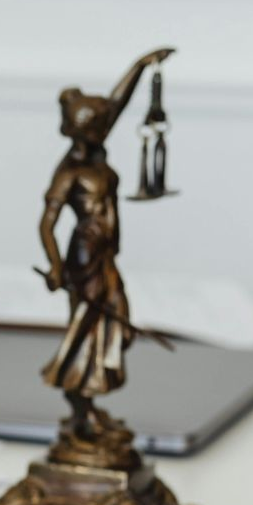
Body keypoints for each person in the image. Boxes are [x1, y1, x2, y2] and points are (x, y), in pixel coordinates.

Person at [38, 47, 174, 448]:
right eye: (99, 126)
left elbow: (118, 102)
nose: (107, 127)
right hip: (85, 258)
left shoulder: (95, 148)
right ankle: (82, 409)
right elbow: (46, 222)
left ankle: (89, 406)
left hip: (107, 256)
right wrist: (56, 266)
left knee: (118, 326)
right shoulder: (69, 172)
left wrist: (141, 66)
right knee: (87, 331)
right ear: (84, 131)